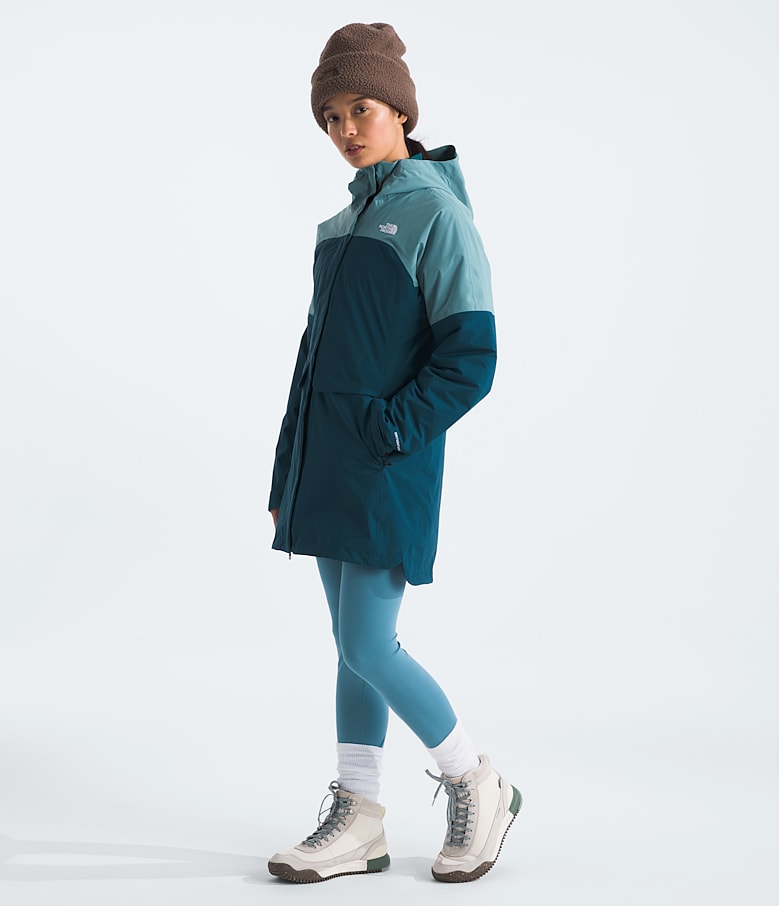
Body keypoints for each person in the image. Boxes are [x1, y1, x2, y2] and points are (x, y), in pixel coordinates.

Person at [267, 22, 521, 884]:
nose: (346, 128)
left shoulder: (435, 214)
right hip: (326, 467)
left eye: (361, 109)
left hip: (385, 464)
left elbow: (470, 359)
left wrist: (391, 432)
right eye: (331, 116)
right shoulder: (338, 227)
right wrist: (287, 468)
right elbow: (309, 363)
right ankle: (360, 816)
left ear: (401, 112)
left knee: (371, 646)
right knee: (351, 647)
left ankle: (475, 779)